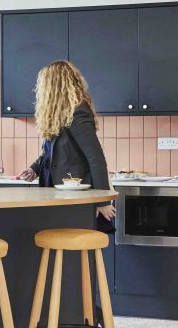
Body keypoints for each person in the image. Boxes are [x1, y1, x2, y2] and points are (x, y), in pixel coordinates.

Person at [16, 60, 116, 231]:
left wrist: (103, 201)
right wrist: (34, 169)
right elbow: (49, 153)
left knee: (74, 246)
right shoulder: (56, 115)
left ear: (53, 87)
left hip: (76, 195)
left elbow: (96, 158)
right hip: (56, 192)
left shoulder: (78, 113)